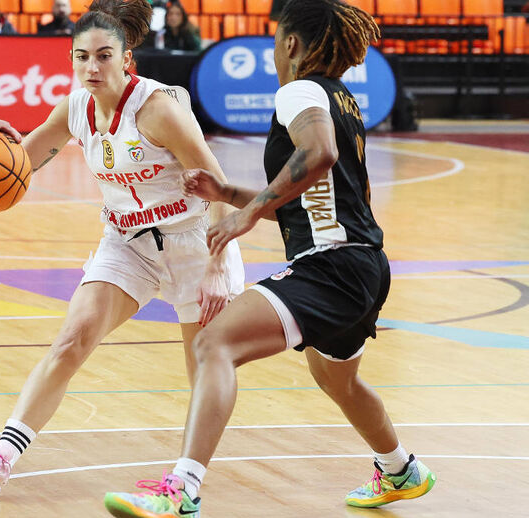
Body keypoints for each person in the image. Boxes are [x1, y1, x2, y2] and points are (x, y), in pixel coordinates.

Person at [103, 1, 437, 516]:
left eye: (274, 39)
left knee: (213, 343)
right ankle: (400, 470)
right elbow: (313, 190)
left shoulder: (298, 91)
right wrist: (229, 191)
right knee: (337, 379)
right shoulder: (341, 98)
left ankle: (183, 490)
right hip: (364, 262)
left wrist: (248, 212)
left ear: (290, 45)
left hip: (332, 264)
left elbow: (319, 153)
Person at [0, 0, 245, 501]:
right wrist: (3, 143)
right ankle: (0, 459)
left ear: (126, 57)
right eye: (81, 57)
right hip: (126, 242)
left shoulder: (158, 109)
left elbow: (216, 185)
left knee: (204, 368)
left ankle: (186, 487)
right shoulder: (75, 107)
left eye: (104, 55)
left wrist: (217, 266)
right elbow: (29, 157)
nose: (91, 66)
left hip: (192, 242)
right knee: (72, 338)